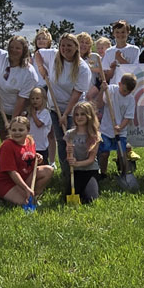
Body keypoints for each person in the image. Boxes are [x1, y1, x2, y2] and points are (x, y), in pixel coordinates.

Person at [35, 33, 91, 177]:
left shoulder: (82, 68)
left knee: (74, 141)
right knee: (61, 140)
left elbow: (76, 93)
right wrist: (41, 68)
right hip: (54, 106)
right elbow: (38, 53)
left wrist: (66, 114)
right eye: (63, 45)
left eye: (69, 45)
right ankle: (66, 173)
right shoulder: (53, 56)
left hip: (75, 109)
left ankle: (79, 171)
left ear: (76, 47)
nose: (65, 48)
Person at [0, 35, 38, 144]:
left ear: (24, 50)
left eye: (18, 48)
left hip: (20, 109)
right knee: (5, 142)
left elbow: (21, 100)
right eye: (11, 47)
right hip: (0, 107)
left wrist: (13, 121)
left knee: (19, 140)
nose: (14, 50)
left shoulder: (29, 73)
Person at [0, 116, 54, 205]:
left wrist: (36, 157)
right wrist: (26, 188)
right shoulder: (7, 146)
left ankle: (35, 195)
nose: (17, 133)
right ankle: (8, 195)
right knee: (26, 202)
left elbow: (25, 156)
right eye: (14, 130)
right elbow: (12, 172)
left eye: (21, 130)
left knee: (48, 170)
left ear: (27, 130)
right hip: (6, 181)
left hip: (24, 177)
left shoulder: (30, 141)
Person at [97, 73, 137, 177]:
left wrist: (120, 127)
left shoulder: (131, 99)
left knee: (122, 153)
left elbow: (128, 117)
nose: (125, 93)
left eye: (128, 92)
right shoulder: (110, 90)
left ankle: (123, 173)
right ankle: (103, 173)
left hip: (121, 131)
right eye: (124, 90)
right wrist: (102, 90)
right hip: (106, 129)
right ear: (119, 84)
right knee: (104, 153)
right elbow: (99, 105)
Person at [64, 101, 102, 203]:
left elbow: (91, 159)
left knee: (90, 199)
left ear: (89, 116)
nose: (79, 117)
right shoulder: (69, 135)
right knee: (68, 197)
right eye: (76, 114)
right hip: (75, 171)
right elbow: (69, 157)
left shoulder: (95, 135)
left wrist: (77, 163)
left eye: (82, 114)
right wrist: (70, 157)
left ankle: (93, 186)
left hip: (90, 170)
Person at [33, 28, 57, 165]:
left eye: (44, 38)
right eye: (39, 38)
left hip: (47, 90)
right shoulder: (32, 56)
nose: (41, 41)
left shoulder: (52, 55)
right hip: (34, 91)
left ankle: (52, 161)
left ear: (49, 41)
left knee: (50, 130)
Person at [102, 20, 139, 85]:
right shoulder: (109, 52)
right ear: (113, 33)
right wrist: (112, 68)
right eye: (117, 32)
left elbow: (135, 71)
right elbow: (106, 77)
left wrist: (120, 59)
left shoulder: (135, 50)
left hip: (130, 87)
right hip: (114, 87)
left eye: (123, 32)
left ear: (128, 33)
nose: (120, 34)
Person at [28, 87, 52, 165]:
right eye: (32, 98)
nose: (35, 100)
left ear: (43, 99)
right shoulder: (30, 113)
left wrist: (34, 115)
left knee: (42, 162)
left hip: (41, 145)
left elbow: (39, 124)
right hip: (32, 144)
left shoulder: (45, 113)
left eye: (37, 98)